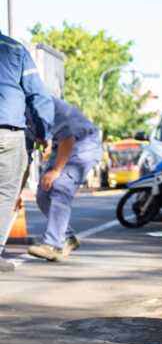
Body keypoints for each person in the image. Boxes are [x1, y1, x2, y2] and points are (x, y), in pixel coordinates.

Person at [0, 33, 54, 272]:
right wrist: (44, 133)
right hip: (7, 132)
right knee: (4, 194)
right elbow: (38, 96)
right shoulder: (13, 48)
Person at [27, 98, 101, 262]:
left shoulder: (41, 105)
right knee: (42, 195)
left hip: (83, 143)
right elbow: (26, 154)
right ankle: (67, 238)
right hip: (61, 146)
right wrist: (15, 191)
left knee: (60, 187)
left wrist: (56, 170)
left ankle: (52, 245)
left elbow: (67, 139)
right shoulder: (15, 117)